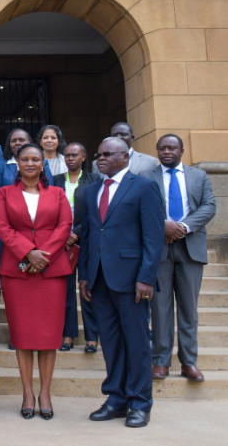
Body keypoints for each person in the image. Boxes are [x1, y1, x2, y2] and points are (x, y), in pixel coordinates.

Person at [79, 137, 164, 428]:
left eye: (107, 154)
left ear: (125, 157)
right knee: (112, 342)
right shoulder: (90, 192)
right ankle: (116, 398)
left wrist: (146, 277)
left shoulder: (143, 187)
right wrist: (85, 276)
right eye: (98, 154)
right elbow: (87, 237)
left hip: (132, 281)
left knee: (138, 343)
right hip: (100, 280)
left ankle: (140, 403)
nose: (100, 158)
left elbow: (153, 237)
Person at [0, 143, 72, 420]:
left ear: (43, 164)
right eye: (24, 159)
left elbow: (65, 226)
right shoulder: (4, 193)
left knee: (49, 337)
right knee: (23, 336)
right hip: (18, 272)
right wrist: (28, 252)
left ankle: (45, 393)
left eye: (35, 159)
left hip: (51, 273)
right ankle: (28, 392)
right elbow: (2, 226)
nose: (30, 163)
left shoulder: (58, 194)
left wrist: (43, 256)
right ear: (17, 162)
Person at [141, 134, 216, 383]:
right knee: (159, 308)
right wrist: (162, 225)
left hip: (190, 248)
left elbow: (208, 206)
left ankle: (188, 362)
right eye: (161, 148)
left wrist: (183, 226)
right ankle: (160, 361)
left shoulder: (198, 176)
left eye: (172, 147)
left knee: (188, 309)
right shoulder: (146, 177)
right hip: (158, 249)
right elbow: (141, 208)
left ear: (182, 150)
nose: (166, 152)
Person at [53, 143, 103, 353]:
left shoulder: (94, 180)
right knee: (64, 291)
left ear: (84, 157)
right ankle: (67, 334)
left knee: (87, 288)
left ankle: (92, 337)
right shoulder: (55, 181)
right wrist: (63, 236)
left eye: (75, 155)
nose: (70, 158)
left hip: (87, 242)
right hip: (61, 245)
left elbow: (97, 213)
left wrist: (76, 233)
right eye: (67, 155)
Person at [91, 122, 158, 175]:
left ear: (132, 138)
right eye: (115, 135)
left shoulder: (150, 162)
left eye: (123, 134)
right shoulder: (97, 164)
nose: (119, 137)